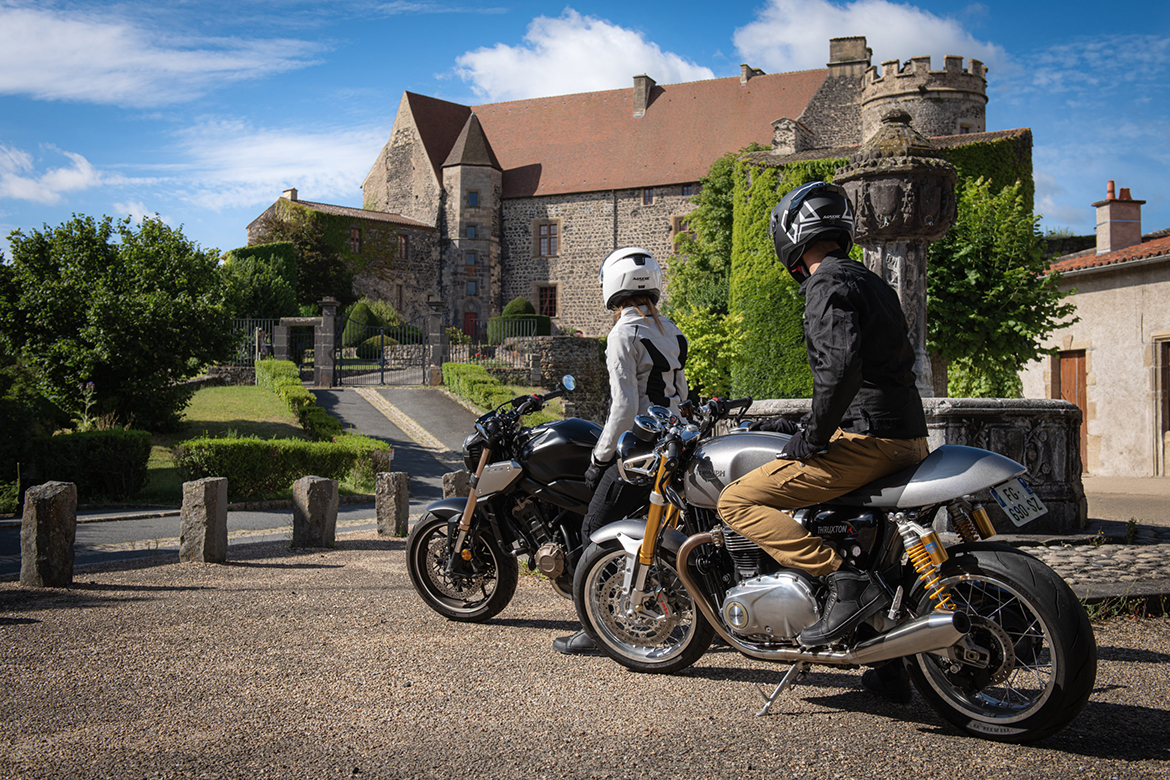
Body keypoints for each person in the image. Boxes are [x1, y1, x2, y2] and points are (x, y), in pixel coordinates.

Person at [716, 181, 928, 701]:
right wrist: (812, 425)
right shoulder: (869, 281)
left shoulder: (825, 283)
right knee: (872, 544)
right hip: (906, 437)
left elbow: (839, 368)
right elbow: (873, 369)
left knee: (737, 499)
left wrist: (812, 437)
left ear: (789, 233)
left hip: (871, 443)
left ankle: (839, 582)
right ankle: (890, 664)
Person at [552, 247, 689, 656]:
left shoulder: (623, 334)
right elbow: (680, 394)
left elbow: (625, 407)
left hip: (641, 451)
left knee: (593, 528)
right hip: (676, 443)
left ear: (612, 287)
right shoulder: (671, 330)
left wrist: (600, 457)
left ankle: (595, 628)